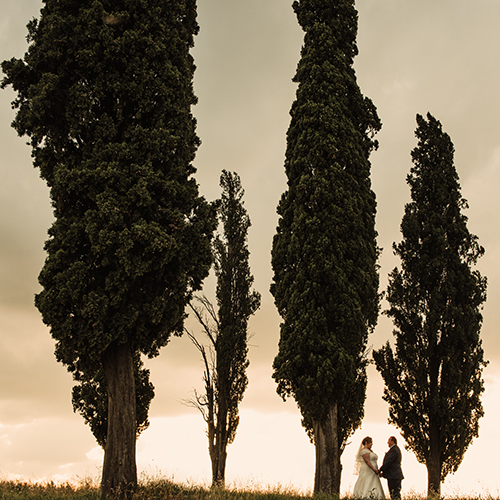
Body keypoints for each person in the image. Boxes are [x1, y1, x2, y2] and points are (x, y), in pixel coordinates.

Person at [379, 436, 404, 500]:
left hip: (393, 476)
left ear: (392, 441)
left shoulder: (394, 450)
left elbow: (388, 462)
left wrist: (380, 470)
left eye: (389, 441)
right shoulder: (396, 449)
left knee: (394, 494)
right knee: (396, 493)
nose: (387, 442)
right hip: (395, 475)